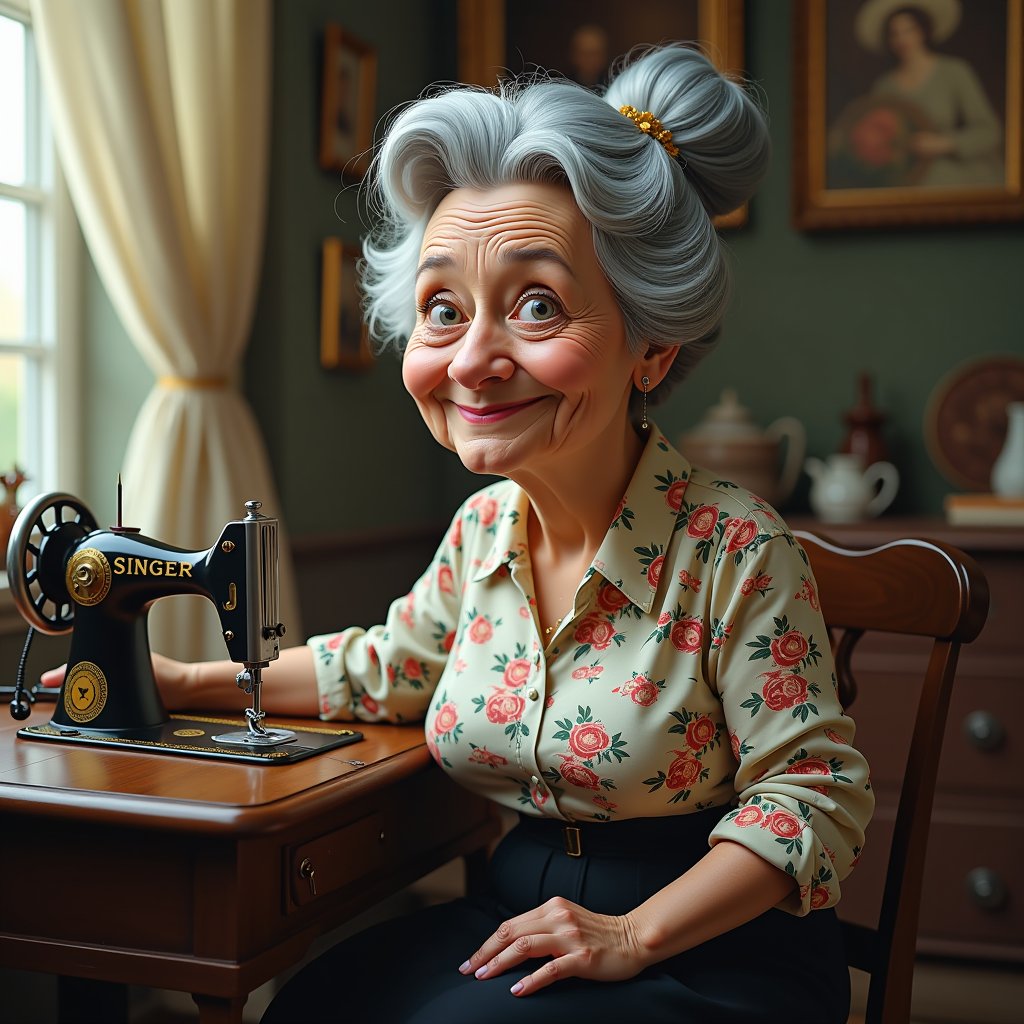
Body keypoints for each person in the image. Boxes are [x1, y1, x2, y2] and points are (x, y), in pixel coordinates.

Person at [95, 44, 872, 1023]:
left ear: (652, 344)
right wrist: (187, 683)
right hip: (516, 912)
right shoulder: (482, 533)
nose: (471, 360)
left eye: (536, 304)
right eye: (441, 309)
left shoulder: (736, 549)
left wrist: (631, 934)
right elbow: (391, 666)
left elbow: (812, 796)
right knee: (310, 1005)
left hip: (711, 946)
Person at [845, 0, 1002, 187]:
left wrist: (943, 144)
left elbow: (989, 132)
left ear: (923, 31)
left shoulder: (954, 71)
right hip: (906, 179)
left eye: (909, 30)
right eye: (894, 33)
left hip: (954, 175)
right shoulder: (884, 86)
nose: (902, 39)